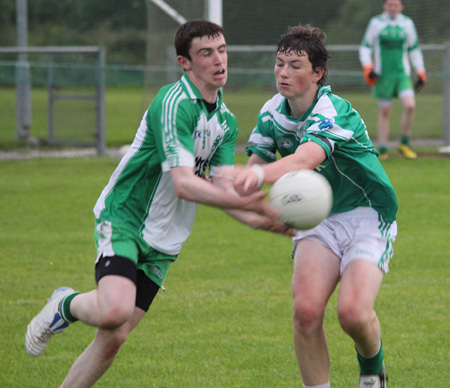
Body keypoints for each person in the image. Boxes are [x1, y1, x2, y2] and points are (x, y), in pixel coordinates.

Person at [25, 19, 290, 388]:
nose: (219, 60)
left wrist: (259, 220)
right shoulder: (174, 103)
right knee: (114, 310)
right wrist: (257, 207)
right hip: (126, 217)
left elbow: (222, 188)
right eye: (206, 53)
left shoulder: (226, 122)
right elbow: (184, 184)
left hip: (166, 239)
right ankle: (65, 304)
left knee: (113, 338)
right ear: (185, 62)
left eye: (223, 50)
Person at [232, 24, 398, 388]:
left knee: (353, 314)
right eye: (279, 64)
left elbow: (304, 159)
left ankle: (373, 370)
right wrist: (253, 207)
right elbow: (256, 167)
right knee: (306, 312)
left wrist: (257, 180)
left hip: (367, 213)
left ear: (317, 73)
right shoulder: (272, 111)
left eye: (295, 66)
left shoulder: (334, 110)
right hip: (317, 217)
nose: (283, 73)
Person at [359, 0, 427, 160]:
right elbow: (366, 46)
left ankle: (404, 143)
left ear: (401, 7)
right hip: (383, 75)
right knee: (384, 111)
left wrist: (421, 71)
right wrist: (368, 67)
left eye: (396, 5)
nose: (393, 8)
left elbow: (414, 48)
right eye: (390, 4)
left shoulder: (407, 23)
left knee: (410, 105)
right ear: (385, 6)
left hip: (402, 74)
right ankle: (383, 149)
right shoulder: (376, 23)